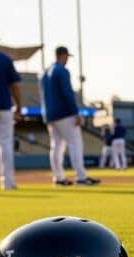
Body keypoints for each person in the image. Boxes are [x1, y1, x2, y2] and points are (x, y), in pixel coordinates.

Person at [40, 46, 99, 186]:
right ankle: (81, 176)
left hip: (50, 115)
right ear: (62, 55)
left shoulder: (45, 73)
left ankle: (58, 177)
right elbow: (67, 93)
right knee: (75, 143)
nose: (67, 60)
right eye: (67, 56)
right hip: (64, 113)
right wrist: (75, 112)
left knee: (56, 146)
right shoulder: (62, 70)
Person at [0, 30, 22, 190]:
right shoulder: (4, 59)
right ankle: (8, 182)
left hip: (4, 107)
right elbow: (15, 85)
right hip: (3, 107)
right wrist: (18, 107)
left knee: (5, 144)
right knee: (5, 144)